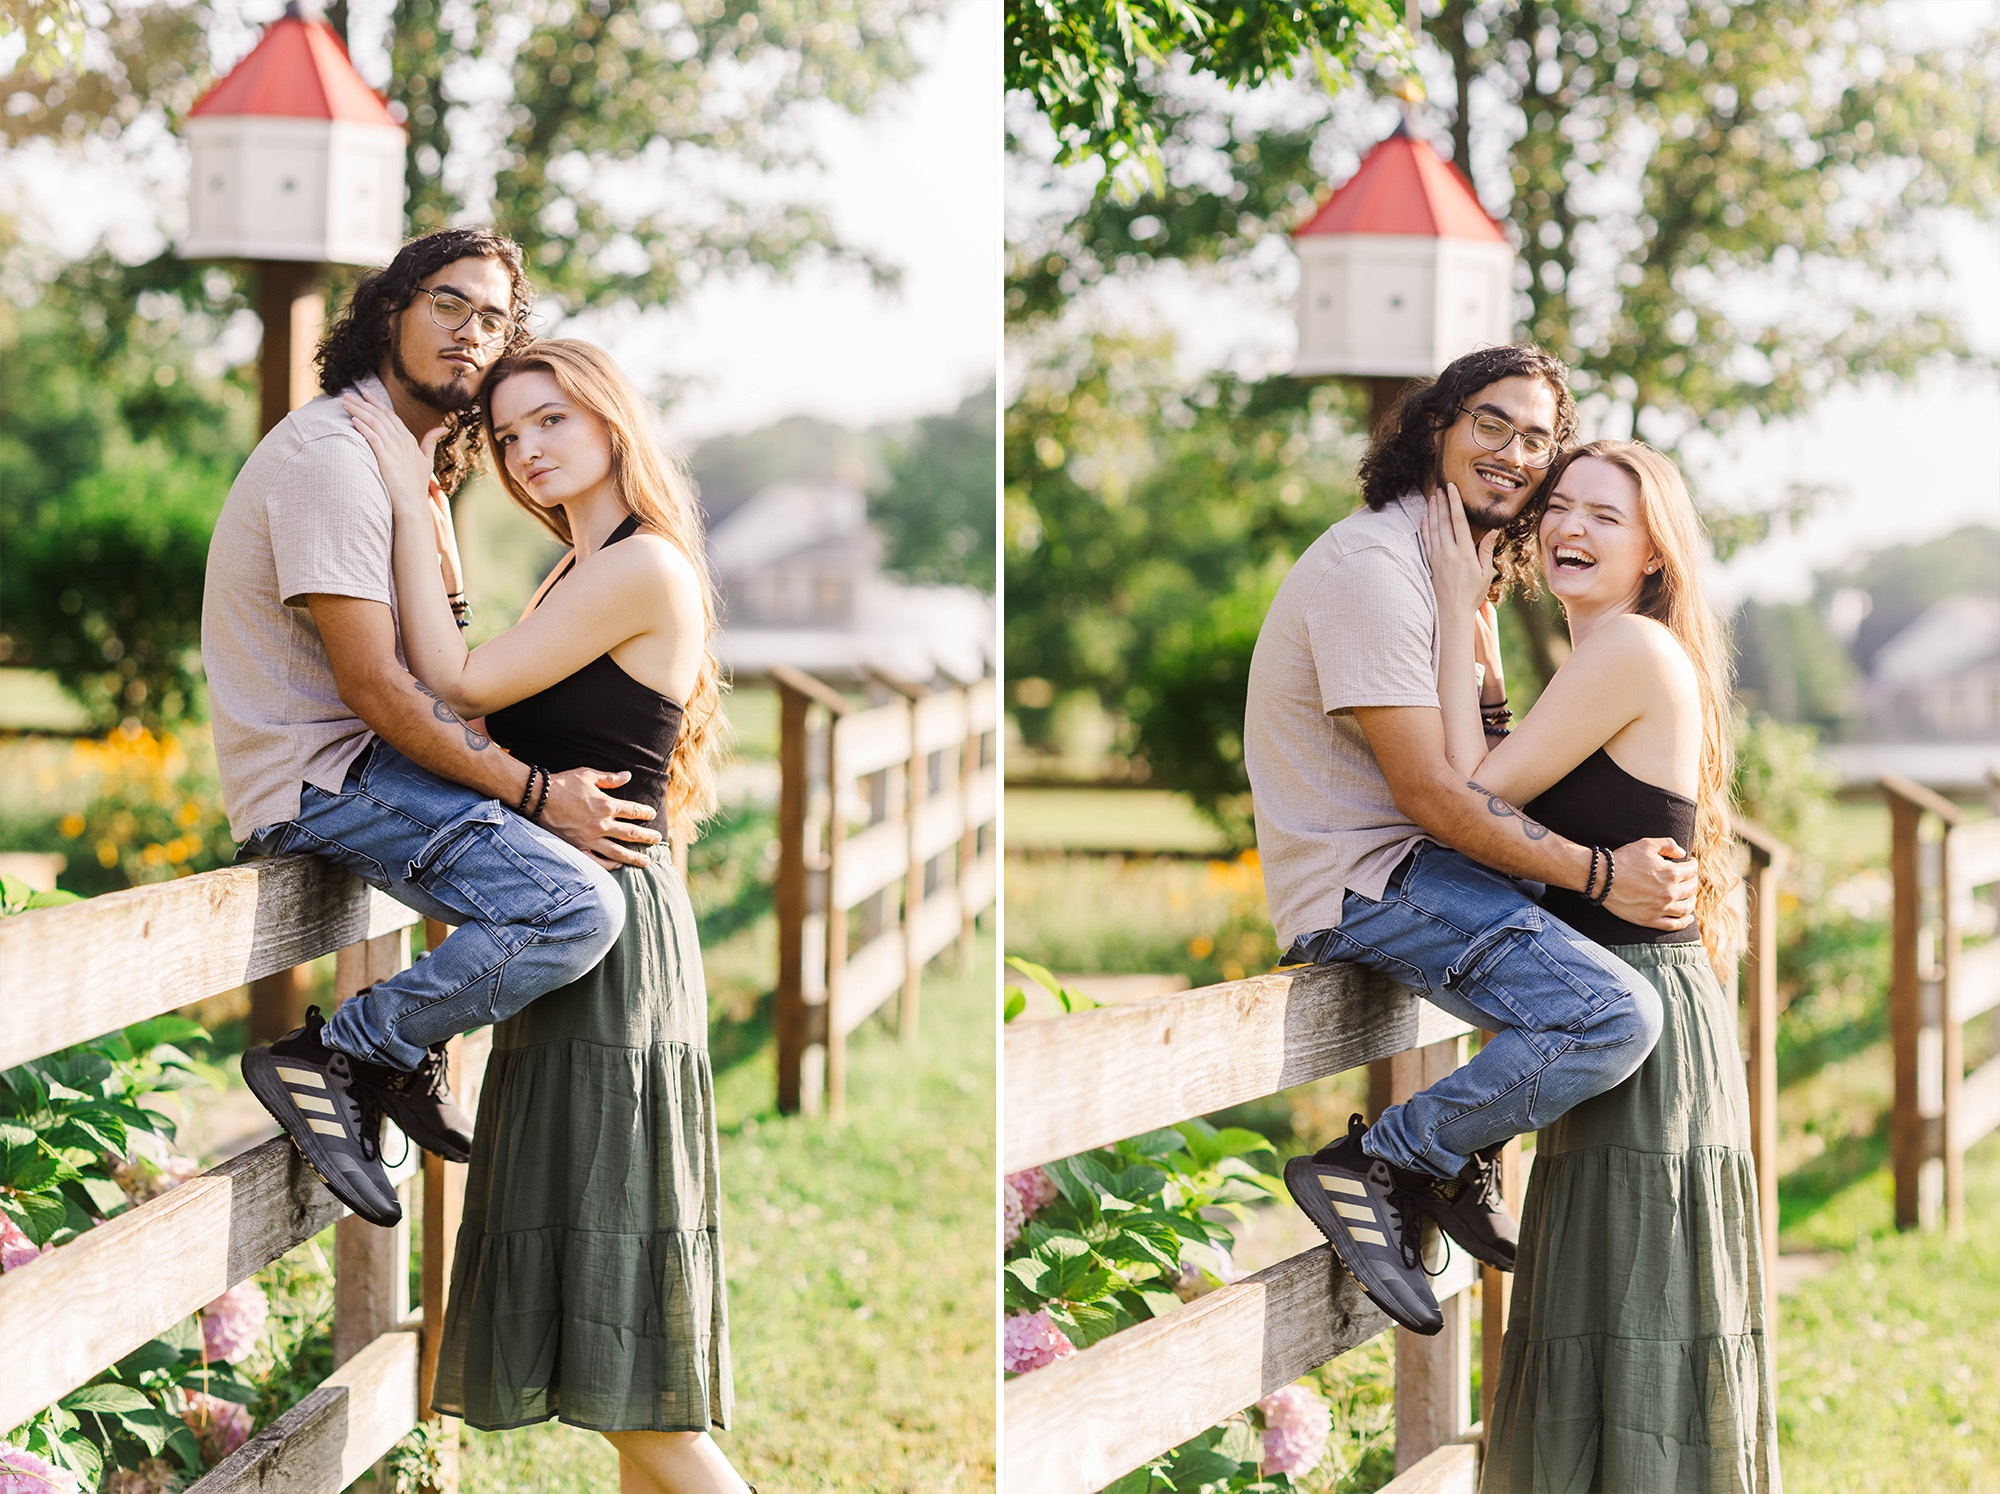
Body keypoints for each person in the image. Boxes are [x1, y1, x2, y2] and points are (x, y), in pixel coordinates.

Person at [343, 339, 749, 1494]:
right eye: (507, 437)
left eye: (548, 422)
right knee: (615, 1353)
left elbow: (458, 685)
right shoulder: (577, 573)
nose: (525, 452)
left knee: (635, 1375)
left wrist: (420, 506)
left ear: (609, 418)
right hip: (585, 922)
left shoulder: (640, 568)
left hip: (605, 932)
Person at [203, 229, 667, 1232]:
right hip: (321, 775)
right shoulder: (334, 456)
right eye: (447, 304)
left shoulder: (410, 465)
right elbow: (375, 687)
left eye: (494, 319)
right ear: (387, 312)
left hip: (374, 766)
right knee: (573, 910)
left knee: (562, 895)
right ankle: (343, 1054)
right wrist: (536, 792)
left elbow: (444, 681)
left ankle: (393, 1052)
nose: (471, 332)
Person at [1242, 344, 1700, 1336]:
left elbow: (1485, 773)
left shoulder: (1450, 568)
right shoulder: (1374, 570)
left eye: (1537, 439)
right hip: (1363, 881)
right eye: (1490, 423)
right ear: (1433, 428)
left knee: (1580, 963)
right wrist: (1596, 874)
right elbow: (1434, 799)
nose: (1513, 452)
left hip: (1422, 867)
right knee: (1610, 1015)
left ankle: (1456, 1159)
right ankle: (1387, 1163)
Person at [1422, 444, 1778, 1491]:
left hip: (1639, 1024)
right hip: (1621, 1011)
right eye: (1558, 509)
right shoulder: (1602, 659)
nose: (1567, 529)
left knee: (1630, 1320)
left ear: (1652, 552)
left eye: (1602, 518)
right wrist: (1485, 665)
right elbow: (1513, 792)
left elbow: (1469, 799)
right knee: (1606, 1311)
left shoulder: (1624, 650)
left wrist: (1451, 615)